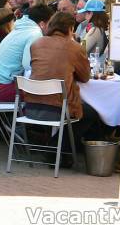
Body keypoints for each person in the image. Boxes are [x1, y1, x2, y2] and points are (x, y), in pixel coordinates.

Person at [27, 12, 103, 162]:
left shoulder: (36, 44)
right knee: (93, 113)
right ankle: (57, 147)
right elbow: (85, 77)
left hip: (31, 105)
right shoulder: (74, 47)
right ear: (69, 28)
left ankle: (63, 152)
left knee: (80, 111)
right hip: (57, 108)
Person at [0, 5, 54, 102]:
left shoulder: (19, 29)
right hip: (3, 88)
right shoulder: (35, 33)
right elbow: (28, 64)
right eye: (51, 24)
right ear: (43, 24)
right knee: (50, 93)